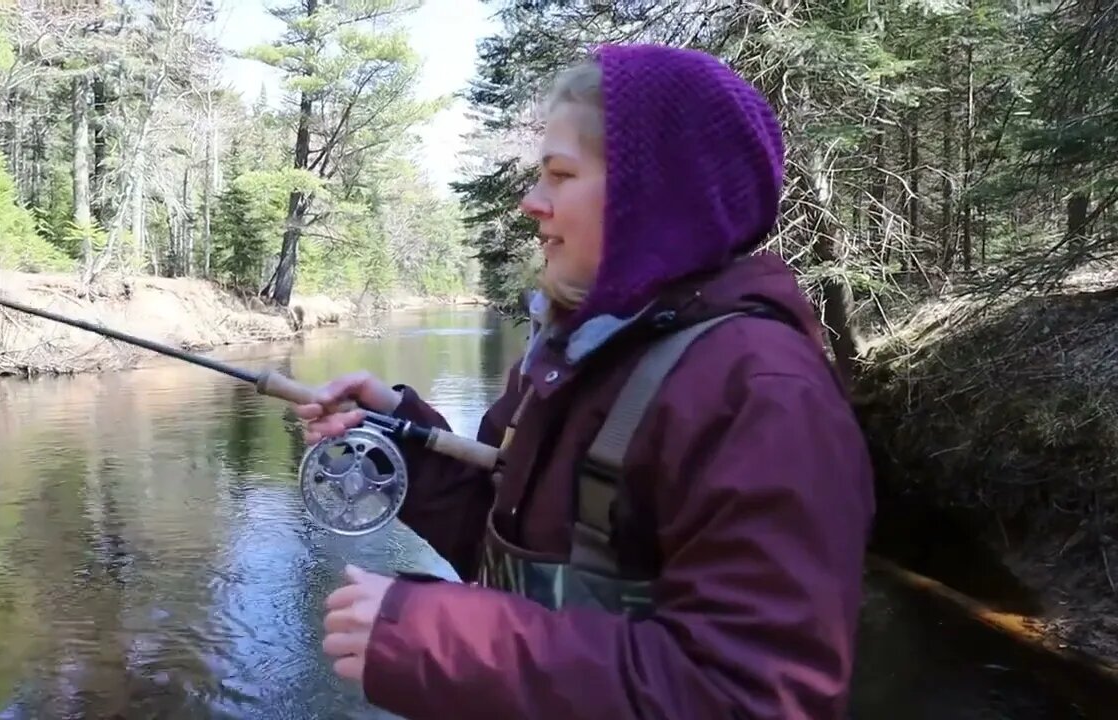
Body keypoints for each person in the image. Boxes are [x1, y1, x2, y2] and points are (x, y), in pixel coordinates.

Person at [295, 43, 875, 720]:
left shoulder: (764, 395)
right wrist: (400, 440)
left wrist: (436, 639)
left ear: (652, 199)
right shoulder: (573, 355)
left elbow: (752, 698)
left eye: (560, 176)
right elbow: (513, 548)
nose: (530, 203)